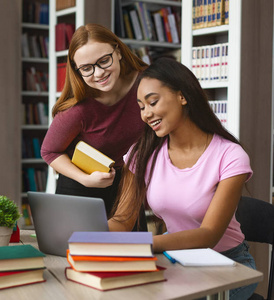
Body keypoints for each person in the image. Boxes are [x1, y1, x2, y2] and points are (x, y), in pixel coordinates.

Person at [109, 57, 257, 300]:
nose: (146, 114)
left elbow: (209, 234)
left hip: (226, 264)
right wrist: (92, 235)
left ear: (183, 96)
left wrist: (145, 244)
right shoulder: (142, 153)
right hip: (172, 257)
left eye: (153, 102)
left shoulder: (229, 156)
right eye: (141, 107)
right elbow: (122, 219)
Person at [40, 23, 147, 228]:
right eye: (87, 68)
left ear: (118, 52)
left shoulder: (147, 83)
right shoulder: (77, 109)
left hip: (128, 183)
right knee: (76, 254)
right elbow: (49, 152)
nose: (98, 73)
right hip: (80, 185)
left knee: (133, 253)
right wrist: (85, 179)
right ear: (77, 71)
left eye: (104, 61)